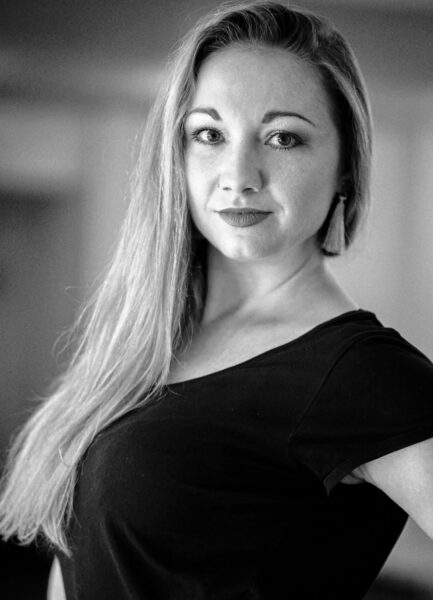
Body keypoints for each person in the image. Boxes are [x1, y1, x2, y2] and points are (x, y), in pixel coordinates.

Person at [1, 2, 433, 599]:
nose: (238, 174)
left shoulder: (363, 372)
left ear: (345, 169)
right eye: (209, 134)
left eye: (283, 138)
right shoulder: (148, 340)